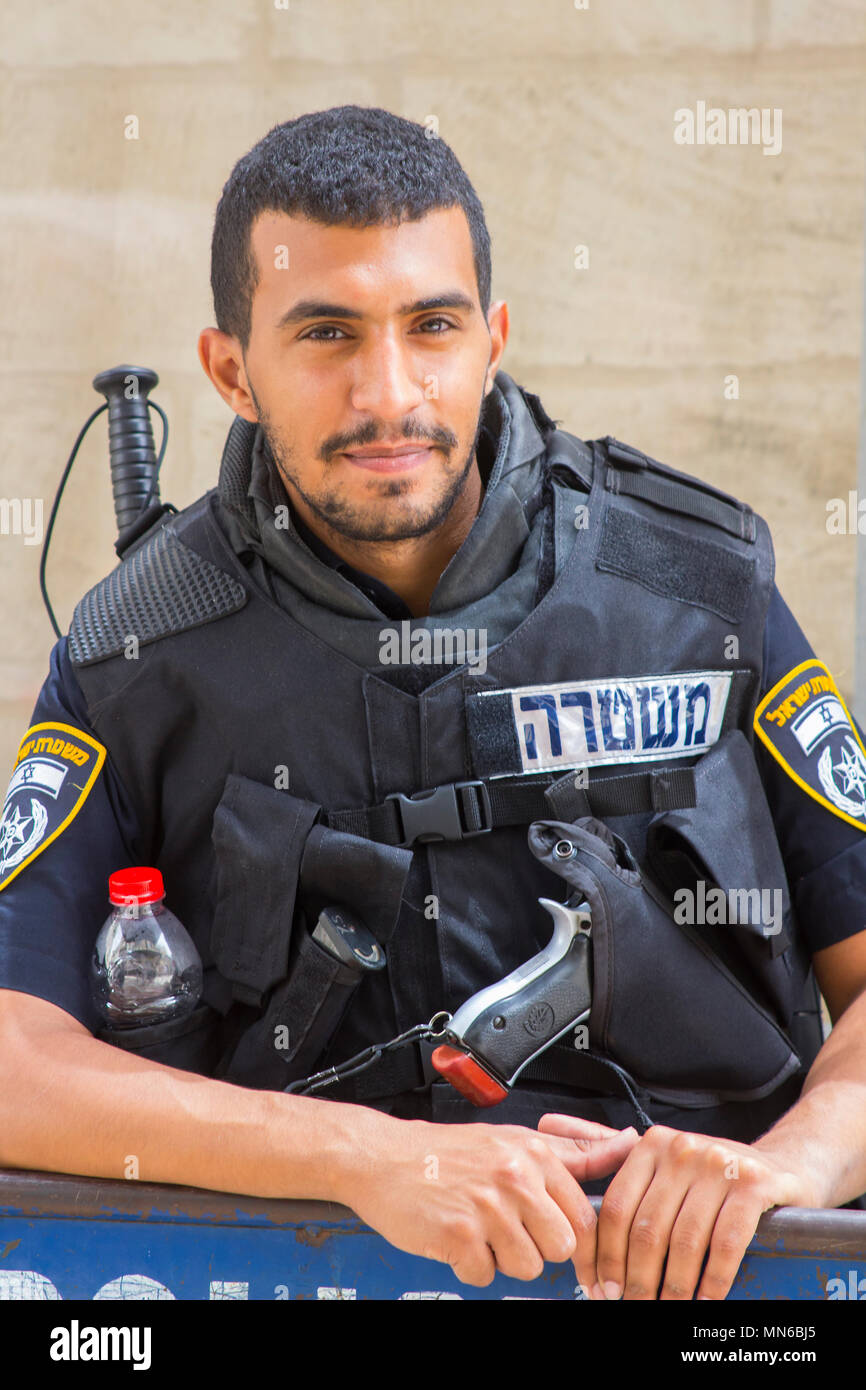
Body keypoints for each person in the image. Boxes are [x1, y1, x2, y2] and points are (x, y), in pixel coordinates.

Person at [2, 105, 866, 1304]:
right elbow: (12, 1061)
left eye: (432, 326)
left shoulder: (697, 586)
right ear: (229, 370)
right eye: (326, 334)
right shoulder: (130, 652)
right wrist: (369, 1158)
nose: (389, 391)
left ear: (492, 338)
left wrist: (783, 1167)